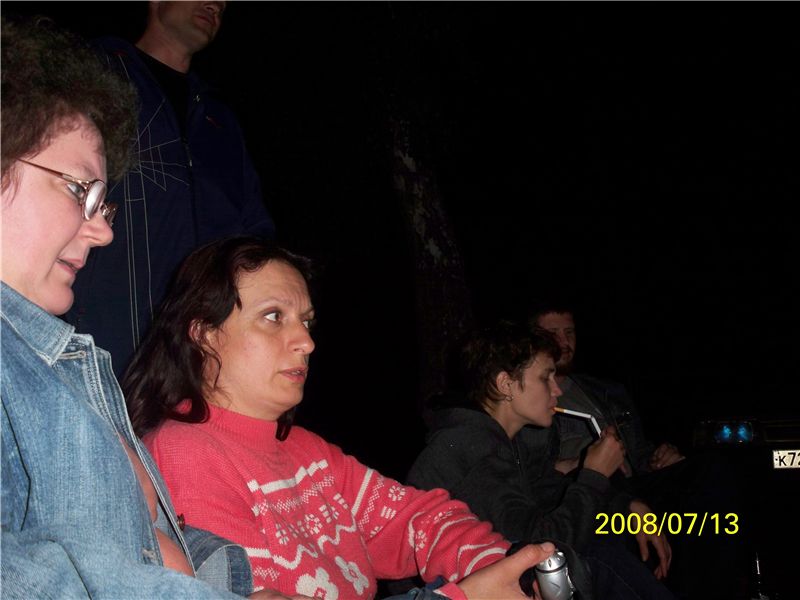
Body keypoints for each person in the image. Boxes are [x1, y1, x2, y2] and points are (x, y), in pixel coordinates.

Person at [122, 235, 556, 599]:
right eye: (273, 317)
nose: (306, 342)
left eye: (306, 322)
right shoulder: (183, 453)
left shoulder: (307, 451)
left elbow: (417, 520)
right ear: (203, 334)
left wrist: (503, 566)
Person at [0, 14, 259, 598]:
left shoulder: (78, 378)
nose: (103, 232)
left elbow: (153, 550)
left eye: (104, 203)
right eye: (78, 190)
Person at [65, 1, 275, 378]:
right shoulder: (95, 73)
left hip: (200, 354)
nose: (216, 4)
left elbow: (254, 231)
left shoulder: (219, 118)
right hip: (105, 343)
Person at [406, 321, 676, 599]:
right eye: (545, 378)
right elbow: (541, 545)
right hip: (442, 591)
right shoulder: (469, 446)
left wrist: (627, 505)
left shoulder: (506, 440)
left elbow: (548, 492)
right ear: (506, 385)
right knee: (597, 556)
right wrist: (595, 474)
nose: (557, 390)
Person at [531, 304, 749, 599]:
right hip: (594, 496)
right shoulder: (531, 400)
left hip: (637, 485)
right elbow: (535, 474)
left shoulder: (604, 390)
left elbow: (638, 451)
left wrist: (661, 458)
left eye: (569, 332)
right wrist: (584, 464)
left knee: (712, 471)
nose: (563, 341)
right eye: (552, 333)